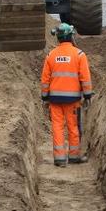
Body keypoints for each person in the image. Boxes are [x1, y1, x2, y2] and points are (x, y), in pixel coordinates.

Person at [40, 23, 93, 167]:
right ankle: (74, 156)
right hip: (73, 99)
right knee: (73, 127)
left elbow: (45, 79)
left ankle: (60, 159)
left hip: (55, 99)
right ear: (71, 36)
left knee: (57, 127)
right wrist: (87, 95)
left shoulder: (51, 55)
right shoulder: (79, 55)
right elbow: (85, 78)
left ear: (58, 38)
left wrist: (45, 98)